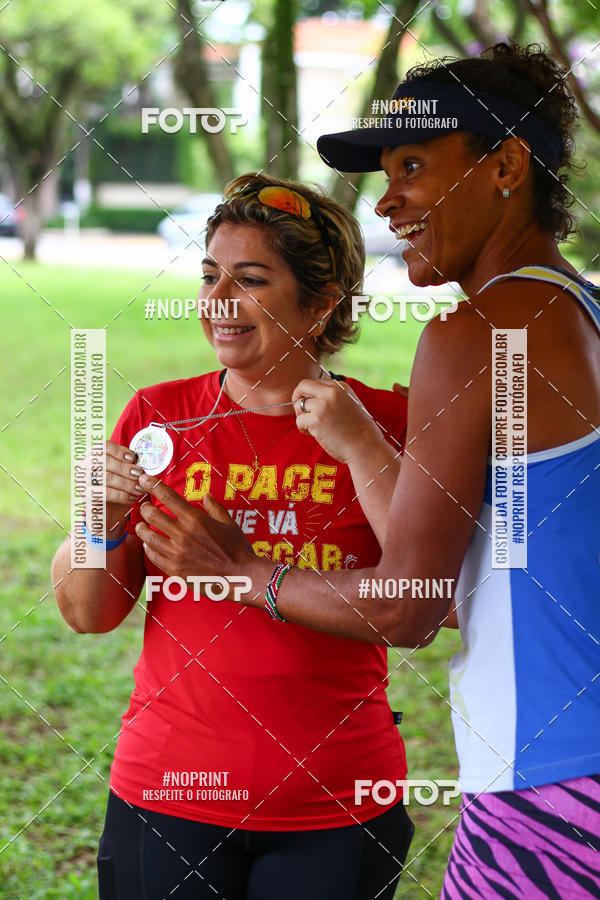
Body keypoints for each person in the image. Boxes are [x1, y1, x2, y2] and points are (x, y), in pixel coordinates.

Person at [139, 43, 600, 898]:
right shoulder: (578, 311)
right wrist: (359, 447)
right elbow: (481, 565)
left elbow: (410, 604)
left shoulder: (477, 332)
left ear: (504, 166)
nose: (388, 201)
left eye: (414, 167)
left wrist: (241, 570)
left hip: (551, 780)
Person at [51, 173, 416, 899]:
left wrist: (362, 450)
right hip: (167, 795)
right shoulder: (158, 418)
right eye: (210, 275)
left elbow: (437, 604)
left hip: (335, 803)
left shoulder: (388, 425)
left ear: (321, 304)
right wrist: (96, 521)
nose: (218, 301)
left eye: (250, 280)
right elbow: (89, 613)